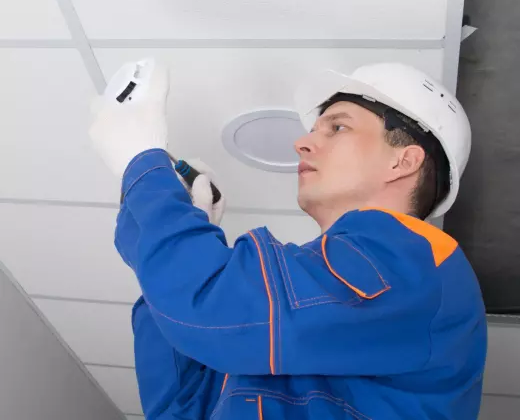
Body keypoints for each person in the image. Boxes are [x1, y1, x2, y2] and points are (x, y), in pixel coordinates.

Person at [89, 61, 487, 419]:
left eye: (338, 127)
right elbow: (180, 403)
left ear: (403, 161)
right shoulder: (305, 321)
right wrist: (182, 231)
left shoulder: (419, 261)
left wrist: (144, 167)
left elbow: (209, 311)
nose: (301, 143)